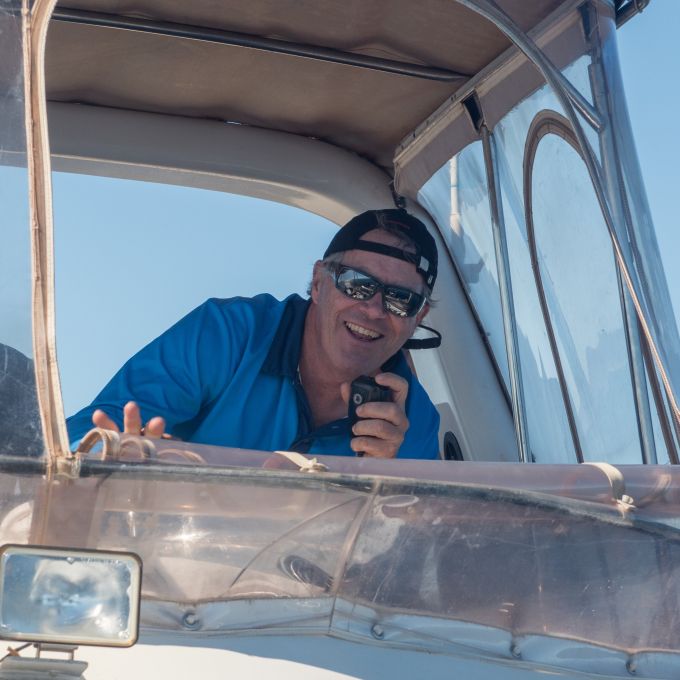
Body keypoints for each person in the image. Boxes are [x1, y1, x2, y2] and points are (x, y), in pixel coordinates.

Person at [67, 208, 441, 459]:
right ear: (317, 282)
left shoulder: (412, 421)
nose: (373, 309)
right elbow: (84, 436)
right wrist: (114, 452)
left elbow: (408, 553)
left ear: (418, 315)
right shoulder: (228, 335)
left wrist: (389, 479)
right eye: (357, 285)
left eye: (400, 300)